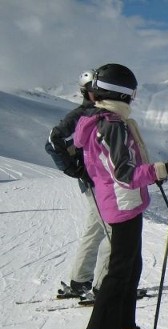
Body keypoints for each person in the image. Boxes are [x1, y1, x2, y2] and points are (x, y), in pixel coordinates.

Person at [74, 63, 168, 329]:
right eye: (133, 94)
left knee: (131, 266)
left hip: (124, 204)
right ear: (122, 94)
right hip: (120, 204)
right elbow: (124, 174)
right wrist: (162, 170)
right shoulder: (111, 127)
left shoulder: (106, 121)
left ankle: (123, 325)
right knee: (119, 271)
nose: (135, 99)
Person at [45, 70, 110, 298]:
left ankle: (80, 281)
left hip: (99, 182)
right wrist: (75, 169)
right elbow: (53, 142)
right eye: (94, 90)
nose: (98, 93)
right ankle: (105, 287)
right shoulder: (80, 115)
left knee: (95, 230)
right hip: (95, 184)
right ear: (86, 92)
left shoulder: (101, 111)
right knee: (114, 231)